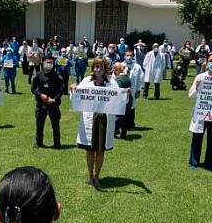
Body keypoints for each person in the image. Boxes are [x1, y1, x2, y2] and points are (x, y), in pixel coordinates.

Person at [72, 57, 125, 188]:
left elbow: (119, 99)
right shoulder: (86, 81)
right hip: (89, 119)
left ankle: (97, 176)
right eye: (96, 66)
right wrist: (73, 87)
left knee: (100, 150)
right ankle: (90, 175)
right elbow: (77, 96)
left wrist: (125, 93)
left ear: (105, 68)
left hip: (104, 120)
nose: (98, 69)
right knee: (89, 150)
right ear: (92, 68)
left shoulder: (112, 83)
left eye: (101, 66)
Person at [32, 54, 64, 148]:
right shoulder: (38, 75)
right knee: (39, 124)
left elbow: (61, 90)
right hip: (41, 104)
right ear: (43, 62)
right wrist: (40, 95)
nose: (49, 64)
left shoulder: (57, 76)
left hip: (53, 104)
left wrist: (54, 99)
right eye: (47, 62)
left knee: (55, 125)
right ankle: (39, 143)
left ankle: (57, 144)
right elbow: (33, 89)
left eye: (51, 63)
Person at [113, 62, 137, 140]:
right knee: (125, 117)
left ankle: (113, 131)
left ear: (116, 70)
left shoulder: (118, 79)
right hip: (128, 100)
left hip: (121, 101)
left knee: (118, 117)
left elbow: (118, 91)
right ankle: (123, 133)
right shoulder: (127, 77)